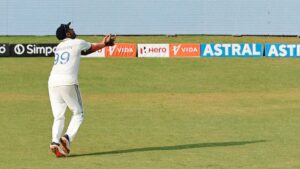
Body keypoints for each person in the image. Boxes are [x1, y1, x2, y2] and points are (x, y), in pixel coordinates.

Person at [48, 22, 116, 157]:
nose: (73, 29)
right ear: (68, 33)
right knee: (79, 113)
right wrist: (105, 43)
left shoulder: (58, 47)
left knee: (58, 115)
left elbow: (84, 52)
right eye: (70, 29)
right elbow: (90, 48)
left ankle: (55, 143)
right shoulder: (77, 42)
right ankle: (67, 138)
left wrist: (103, 44)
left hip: (52, 82)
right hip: (68, 81)